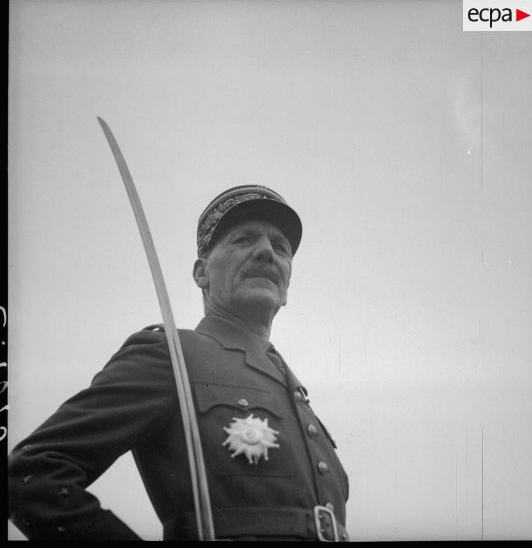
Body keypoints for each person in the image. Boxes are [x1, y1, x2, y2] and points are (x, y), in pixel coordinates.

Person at [8, 185, 350, 541]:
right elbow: (31, 475)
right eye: (244, 240)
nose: (266, 252)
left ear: (287, 284)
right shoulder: (171, 355)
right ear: (202, 273)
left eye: (280, 248)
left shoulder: (297, 397)